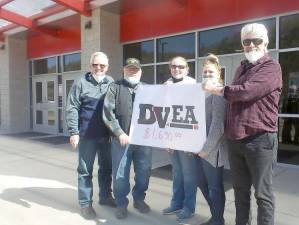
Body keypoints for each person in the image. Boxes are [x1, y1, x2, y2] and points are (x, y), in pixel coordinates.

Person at [203, 23, 282, 225]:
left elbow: (246, 92)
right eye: (246, 41)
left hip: (260, 139)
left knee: (263, 195)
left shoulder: (271, 67)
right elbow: (234, 99)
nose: (251, 45)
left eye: (256, 40)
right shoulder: (240, 67)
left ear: (266, 42)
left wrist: (217, 89)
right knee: (240, 192)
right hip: (235, 140)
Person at [66, 51, 116, 220]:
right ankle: (85, 203)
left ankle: (105, 197)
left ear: (107, 67)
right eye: (95, 65)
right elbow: (72, 107)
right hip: (87, 136)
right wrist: (73, 132)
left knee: (106, 169)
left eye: (102, 65)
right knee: (85, 171)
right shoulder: (80, 83)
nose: (99, 68)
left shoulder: (111, 83)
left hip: (107, 136)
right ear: (90, 65)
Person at [102, 58, 153, 219]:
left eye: (135, 69)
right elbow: (108, 113)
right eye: (129, 69)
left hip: (143, 141)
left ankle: (139, 199)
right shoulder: (115, 87)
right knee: (120, 175)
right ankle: (121, 203)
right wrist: (119, 133)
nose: (132, 72)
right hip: (121, 140)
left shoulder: (149, 89)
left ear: (141, 72)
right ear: (124, 70)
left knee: (144, 172)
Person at [162, 56, 199, 221]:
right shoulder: (165, 85)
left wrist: (194, 142)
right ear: (170, 68)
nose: (177, 69)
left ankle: (189, 207)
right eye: (174, 66)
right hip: (171, 137)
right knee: (177, 173)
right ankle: (176, 203)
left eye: (181, 67)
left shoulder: (193, 85)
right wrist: (165, 139)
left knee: (189, 174)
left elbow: (196, 114)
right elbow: (162, 114)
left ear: (187, 69)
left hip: (187, 139)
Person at [197, 54, 229, 225]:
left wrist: (206, 149)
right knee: (201, 182)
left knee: (215, 187)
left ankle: (217, 220)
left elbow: (218, 125)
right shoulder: (199, 91)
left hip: (212, 150)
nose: (207, 74)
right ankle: (216, 215)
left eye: (211, 72)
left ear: (218, 74)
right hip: (197, 149)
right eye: (205, 72)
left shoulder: (219, 93)